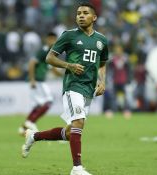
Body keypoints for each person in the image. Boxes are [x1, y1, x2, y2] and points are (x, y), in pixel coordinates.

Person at [21, 2, 108, 175]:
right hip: (72, 86)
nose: (81, 16)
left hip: (89, 89)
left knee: (70, 132)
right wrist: (69, 65)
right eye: (78, 13)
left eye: (85, 13)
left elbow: (103, 63)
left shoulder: (101, 40)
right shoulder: (68, 36)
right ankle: (77, 168)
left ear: (94, 17)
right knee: (78, 122)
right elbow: (49, 58)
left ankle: (33, 136)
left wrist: (102, 81)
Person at [18, 32, 61, 135]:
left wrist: (65, 73)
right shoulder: (44, 50)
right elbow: (32, 63)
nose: (53, 42)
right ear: (48, 39)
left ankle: (24, 127)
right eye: (51, 39)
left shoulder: (50, 52)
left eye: (55, 40)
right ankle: (30, 122)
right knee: (48, 101)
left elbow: (53, 69)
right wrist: (32, 79)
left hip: (39, 81)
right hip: (37, 80)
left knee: (38, 105)